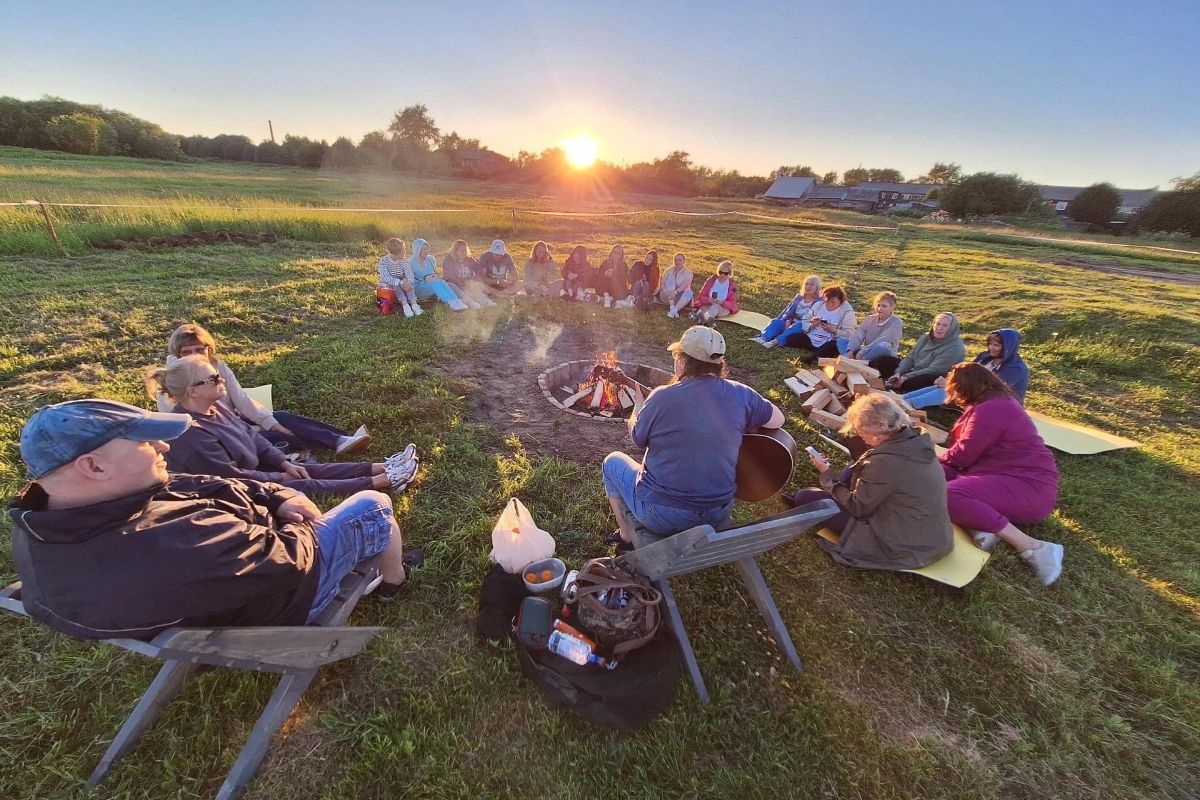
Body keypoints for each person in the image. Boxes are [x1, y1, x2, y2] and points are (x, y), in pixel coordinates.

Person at [8, 399, 421, 640]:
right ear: (93, 466)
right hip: (275, 603)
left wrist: (274, 495)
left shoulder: (46, 524)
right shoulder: (170, 545)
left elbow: (199, 483)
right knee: (371, 504)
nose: (162, 447)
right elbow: (290, 558)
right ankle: (393, 580)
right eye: (143, 441)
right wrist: (296, 523)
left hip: (225, 591)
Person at [602, 326, 785, 549]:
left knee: (612, 462)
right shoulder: (742, 393)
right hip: (718, 511)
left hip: (664, 517)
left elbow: (638, 439)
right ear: (718, 364)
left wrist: (637, 409)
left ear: (683, 361)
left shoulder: (662, 397)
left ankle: (625, 536)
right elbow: (777, 420)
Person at [148, 356, 419, 497]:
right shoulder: (191, 435)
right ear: (192, 392)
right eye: (213, 378)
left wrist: (283, 463)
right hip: (234, 491)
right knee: (305, 485)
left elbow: (254, 440)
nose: (222, 380)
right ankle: (383, 481)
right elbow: (234, 481)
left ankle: (384, 466)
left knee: (306, 469)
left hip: (254, 470)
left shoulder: (215, 406)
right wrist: (278, 478)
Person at [792, 394, 953, 570]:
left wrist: (827, 475)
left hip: (902, 544)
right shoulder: (913, 442)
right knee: (850, 472)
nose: (859, 436)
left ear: (877, 430)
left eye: (860, 431)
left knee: (806, 496)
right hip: (931, 537)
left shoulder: (886, 462)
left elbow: (857, 508)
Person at [160, 323, 372, 456]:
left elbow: (242, 400)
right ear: (177, 355)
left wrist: (270, 423)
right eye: (187, 352)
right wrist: (255, 430)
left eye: (200, 350)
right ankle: (316, 446)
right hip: (219, 432)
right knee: (271, 439)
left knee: (281, 418)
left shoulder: (218, 366)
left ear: (209, 349)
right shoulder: (174, 378)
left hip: (237, 418)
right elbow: (177, 422)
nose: (195, 355)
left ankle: (341, 439)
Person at [939, 363, 1063, 585]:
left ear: (967, 388)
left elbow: (963, 455)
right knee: (936, 476)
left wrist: (932, 459)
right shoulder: (993, 403)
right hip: (999, 474)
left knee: (949, 494)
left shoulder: (992, 409)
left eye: (956, 391)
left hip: (1029, 487)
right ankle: (981, 524)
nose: (955, 397)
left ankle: (1034, 547)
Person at [903, 328, 1029, 410]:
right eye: (990, 344)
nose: (991, 348)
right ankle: (903, 399)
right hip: (974, 394)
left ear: (1008, 347)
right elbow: (966, 373)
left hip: (998, 405)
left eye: (996, 345)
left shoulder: (1016, 369)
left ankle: (909, 405)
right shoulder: (986, 357)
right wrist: (950, 380)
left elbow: (989, 389)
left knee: (950, 390)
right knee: (944, 387)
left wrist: (951, 384)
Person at [875, 311, 965, 391]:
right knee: (883, 361)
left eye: (944, 325)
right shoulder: (926, 337)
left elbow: (935, 370)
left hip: (934, 376)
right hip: (914, 370)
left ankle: (895, 383)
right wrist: (899, 372)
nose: (939, 328)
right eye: (937, 324)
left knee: (914, 383)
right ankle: (893, 380)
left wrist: (906, 377)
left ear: (951, 329)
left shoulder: (955, 347)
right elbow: (911, 357)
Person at [774, 285, 857, 356]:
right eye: (827, 302)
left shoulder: (847, 312)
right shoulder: (818, 305)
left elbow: (849, 334)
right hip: (811, 337)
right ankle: (816, 350)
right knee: (792, 338)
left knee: (833, 347)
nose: (830, 305)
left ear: (840, 301)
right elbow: (805, 320)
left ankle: (815, 356)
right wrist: (812, 324)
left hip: (829, 340)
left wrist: (834, 330)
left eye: (833, 302)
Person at [754, 274, 824, 347]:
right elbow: (789, 311)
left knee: (798, 326)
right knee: (775, 321)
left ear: (817, 288)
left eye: (812, 285)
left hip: (803, 326)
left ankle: (775, 341)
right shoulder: (799, 297)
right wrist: (788, 321)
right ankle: (763, 338)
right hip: (790, 322)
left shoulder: (819, 302)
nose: (808, 286)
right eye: (806, 284)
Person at [844, 291, 903, 361]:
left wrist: (862, 352)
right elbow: (858, 335)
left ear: (892, 307)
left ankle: (861, 361)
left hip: (882, 354)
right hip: (866, 351)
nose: (879, 309)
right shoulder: (870, 319)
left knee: (884, 346)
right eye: (878, 305)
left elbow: (884, 339)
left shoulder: (896, 322)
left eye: (884, 306)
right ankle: (848, 358)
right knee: (842, 340)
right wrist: (850, 350)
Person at [411, 238, 468, 310]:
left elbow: (433, 274)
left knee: (442, 281)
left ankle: (457, 301)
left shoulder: (431, 259)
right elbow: (409, 279)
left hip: (431, 286)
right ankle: (451, 302)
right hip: (419, 289)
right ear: (417, 250)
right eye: (422, 249)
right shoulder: (410, 262)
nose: (425, 251)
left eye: (426, 249)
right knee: (435, 283)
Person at [442, 239, 495, 308]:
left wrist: (473, 280)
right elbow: (450, 276)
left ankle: (486, 301)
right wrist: (464, 284)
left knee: (475, 286)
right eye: (461, 251)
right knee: (452, 286)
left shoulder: (469, 259)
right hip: (454, 284)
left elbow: (479, 271)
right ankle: (470, 302)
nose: (464, 253)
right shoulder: (448, 259)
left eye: (465, 251)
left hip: (468, 283)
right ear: (455, 251)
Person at [377, 237, 421, 318]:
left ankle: (414, 304)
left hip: (403, 285)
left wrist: (409, 282)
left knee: (406, 281)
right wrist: (400, 283)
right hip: (388, 286)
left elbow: (409, 274)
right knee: (396, 284)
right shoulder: (384, 261)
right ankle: (405, 306)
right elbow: (385, 277)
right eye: (403, 250)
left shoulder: (404, 260)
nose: (405, 252)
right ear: (398, 252)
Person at [692, 260, 738, 325]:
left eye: (725, 273)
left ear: (730, 274)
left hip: (722, 308)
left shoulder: (731, 285)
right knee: (703, 308)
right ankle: (706, 320)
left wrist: (722, 302)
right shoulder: (711, 281)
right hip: (708, 304)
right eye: (720, 272)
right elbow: (701, 296)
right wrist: (709, 300)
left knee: (715, 307)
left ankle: (704, 319)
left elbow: (732, 304)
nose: (722, 275)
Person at [657, 253, 694, 318]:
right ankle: (672, 307)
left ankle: (673, 311)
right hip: (666, 296)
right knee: (671, 281)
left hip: (679, 298)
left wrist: (676, 292)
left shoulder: (688, 272)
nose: (677, 262)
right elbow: (662, 282)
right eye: (675, 260)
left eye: (680, 260)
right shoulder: (668, 271)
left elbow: (686, 284)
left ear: (684, 261)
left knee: (689, 292)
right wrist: (666, 291)